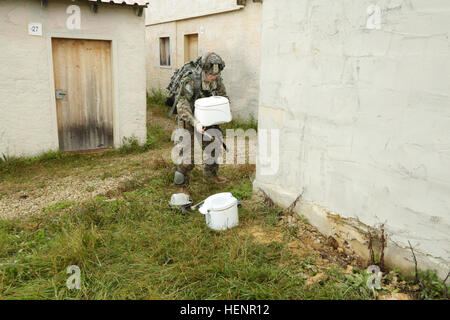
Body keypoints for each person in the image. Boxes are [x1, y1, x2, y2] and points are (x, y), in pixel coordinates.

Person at [173, 52, 229, 193]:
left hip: (208, 117)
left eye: (216, 74)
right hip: (189, 118)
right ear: (203, 70)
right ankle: (182, 187)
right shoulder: (191, 80)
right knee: (187, 158)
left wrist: (221, 114)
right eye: (210, 74)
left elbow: (223, 97)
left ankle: (210, 175)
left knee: (214, 147)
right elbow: (182, 106)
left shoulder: (217, 80)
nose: (213, 77)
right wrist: (195, 123)